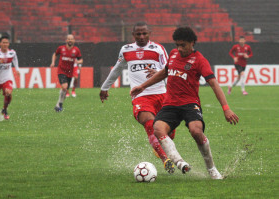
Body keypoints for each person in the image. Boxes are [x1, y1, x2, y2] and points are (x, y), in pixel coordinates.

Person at [130, 27, 239, 179]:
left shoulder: (200, 60)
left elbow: (214, 84)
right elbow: (165, 72)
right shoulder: (174, 54)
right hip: (170, 104)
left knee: (196, 131)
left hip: (190, 104)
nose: (179, 49)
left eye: (183, 45)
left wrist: (226, 108)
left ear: (192, 43)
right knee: (158, 128)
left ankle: (212, 169)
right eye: (177, 45)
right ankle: (179, 162)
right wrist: (143, 86)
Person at [100, 22, 176, 174]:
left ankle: (161, 148)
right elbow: (117, 69)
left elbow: (170, 69)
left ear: (149, 33)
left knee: (168, 133)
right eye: (138, 34)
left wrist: (159, 73)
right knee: (150, 125)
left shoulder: (158, 49)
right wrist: (105, 87)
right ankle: (165, 159)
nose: (141, 37)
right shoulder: (126, 50)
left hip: (161, 94)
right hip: (140, 96)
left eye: (144, 34)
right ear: (133, 35)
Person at [50, 34, 83, 112]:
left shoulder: (76, 50)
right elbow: (55, 54)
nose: (70, 40)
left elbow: (81, 59)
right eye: (68, 39)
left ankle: (59, 104)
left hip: (70, 72)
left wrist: (78, 61)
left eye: (71, 39)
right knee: (64, 87)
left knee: (64, 90)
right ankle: (59, 104)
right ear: (66, 40)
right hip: (61, 71)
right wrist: (53, 62)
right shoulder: (61, 48)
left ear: (74, 41)